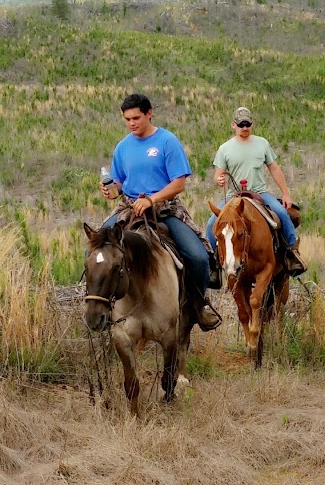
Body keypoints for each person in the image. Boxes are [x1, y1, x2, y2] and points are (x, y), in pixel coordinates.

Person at [99, 93, 221, 331]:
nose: (132, 123)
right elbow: (119, 182)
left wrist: (152, 200)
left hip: (165, 209)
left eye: (136, 118)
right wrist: (111, 191)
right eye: (127, 119)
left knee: (197, 256)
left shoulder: (167, 141)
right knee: (95, 249)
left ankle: (199, 305)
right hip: (129, 207)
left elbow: (179, 183)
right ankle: (100, 307)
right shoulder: (123, 147)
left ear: (149, 113)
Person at [206, 106, 306, 276]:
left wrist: (285, 193)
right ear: (233, 125)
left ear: (252, 124)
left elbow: (274, 169)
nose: (244, 127)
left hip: (260, 193)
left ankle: (292, 253)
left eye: (247, 124)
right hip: (233, 196)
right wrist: (219, 180)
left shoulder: (262, 143)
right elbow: (218, 175)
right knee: (211, 224)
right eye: (241, 124)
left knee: (282, 213)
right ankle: (213, 263)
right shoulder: (225, 148)